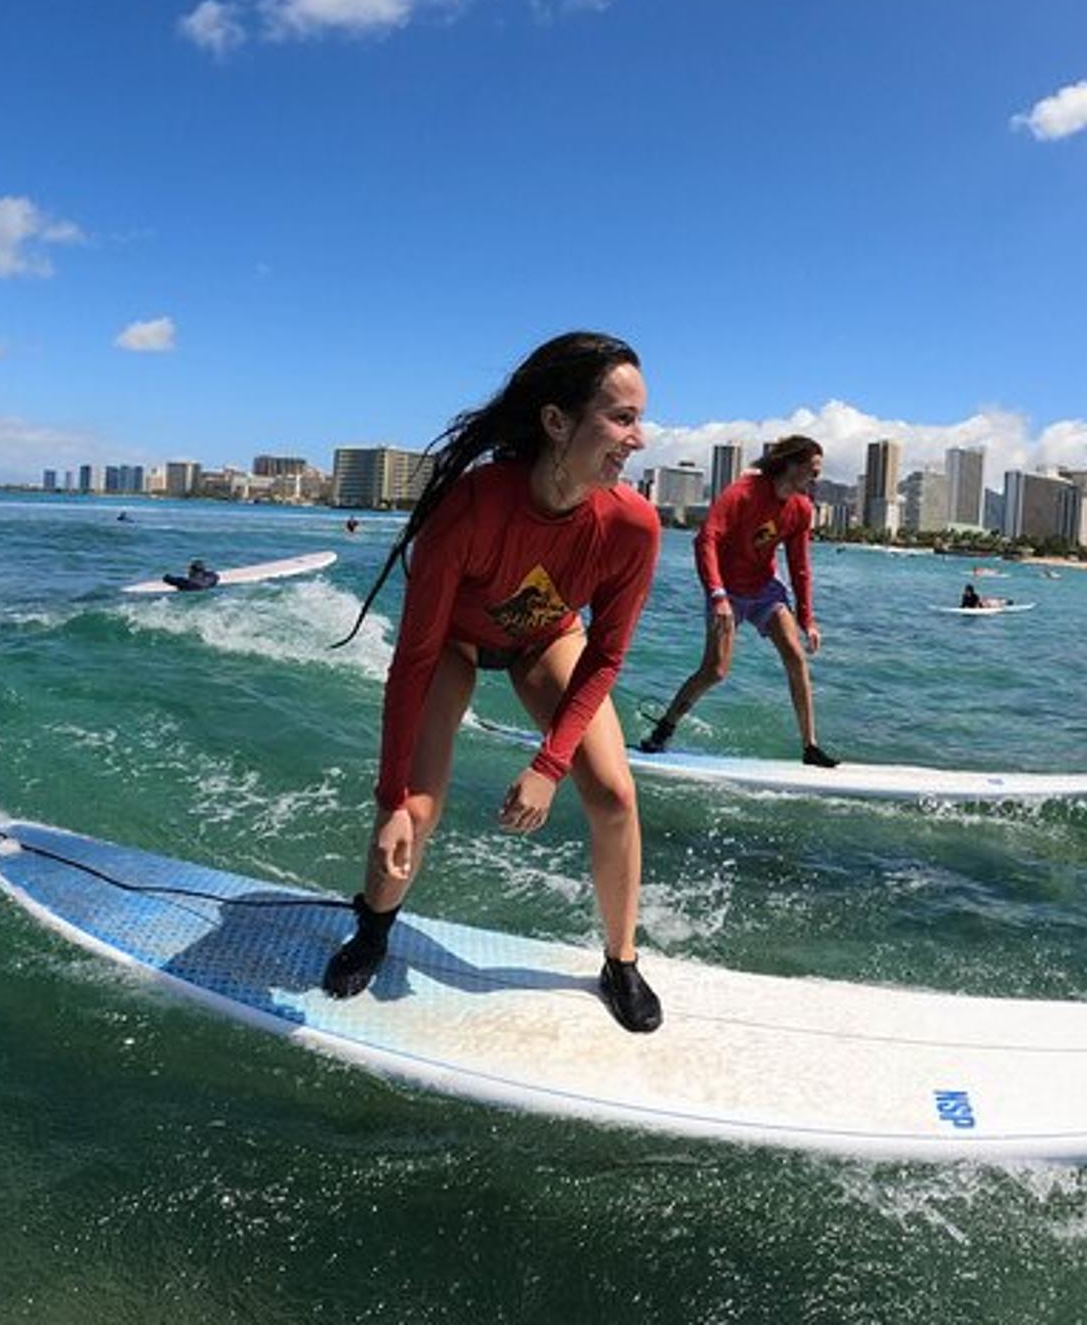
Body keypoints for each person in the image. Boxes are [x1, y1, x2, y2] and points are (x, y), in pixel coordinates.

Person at [322, 332, 664, 1033]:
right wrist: (389, 797)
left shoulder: (633, 526)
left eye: (639, 419)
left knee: (614, 792)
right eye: (621, 418)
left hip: (546, 640)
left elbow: (604, 657)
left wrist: (548, 763)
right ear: (556, 421)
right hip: (454, 645)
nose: (639, 438)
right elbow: (413, 659)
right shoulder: (470, 506)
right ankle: (376, 925)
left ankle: (621, 960)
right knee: (415, 810)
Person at [639, 436, 838, 767]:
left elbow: (800, 566)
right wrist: (717, 594)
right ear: (791, 465)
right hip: (727, 590)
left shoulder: (801, 509)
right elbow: (706, 540)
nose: (816, 479)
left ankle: (810, 747)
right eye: (812, 471)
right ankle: (664, 728)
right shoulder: (744, 492)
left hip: (765, 589)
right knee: (715, 671)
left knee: (795, 656)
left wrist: (808, 620)